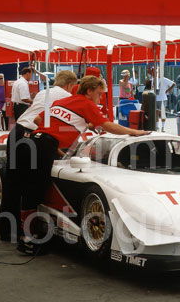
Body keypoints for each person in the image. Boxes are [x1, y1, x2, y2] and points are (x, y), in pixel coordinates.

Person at [16, 76, 150, 254]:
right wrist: (134, 132)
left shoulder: (63, 101)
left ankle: (28, 237)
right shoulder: (87, 105)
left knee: (30, 190)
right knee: (35, 192)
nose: (100, 98)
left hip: (33, 142)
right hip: (44, 147)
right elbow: (107, 125)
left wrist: (67, 130)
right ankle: (27, 240)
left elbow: (38, 121)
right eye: (99, 93)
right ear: (89, 91)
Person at [0, 70, 78, 242]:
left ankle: (7, 230)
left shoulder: (43, 92)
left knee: (12, 183)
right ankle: (30, 232)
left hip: (17, 132)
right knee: (33, 185)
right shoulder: (66, 97)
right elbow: (44, 125)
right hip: (31, 136)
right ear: (70, 85)